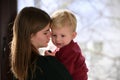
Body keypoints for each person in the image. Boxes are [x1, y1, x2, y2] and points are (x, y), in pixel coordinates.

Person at [10, 7, 73, 80]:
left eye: (49, 30)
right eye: (45, 32)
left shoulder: (18, 71)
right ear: (30, 35)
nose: (50, 35)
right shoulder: (47, 65)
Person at [45, 9, 88, 80]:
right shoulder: (63, 47)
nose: (58, 39)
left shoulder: (72, 52)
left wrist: (52, 60)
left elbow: (63, 73)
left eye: (62, 36)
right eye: (54, 35)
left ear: (73, 35)